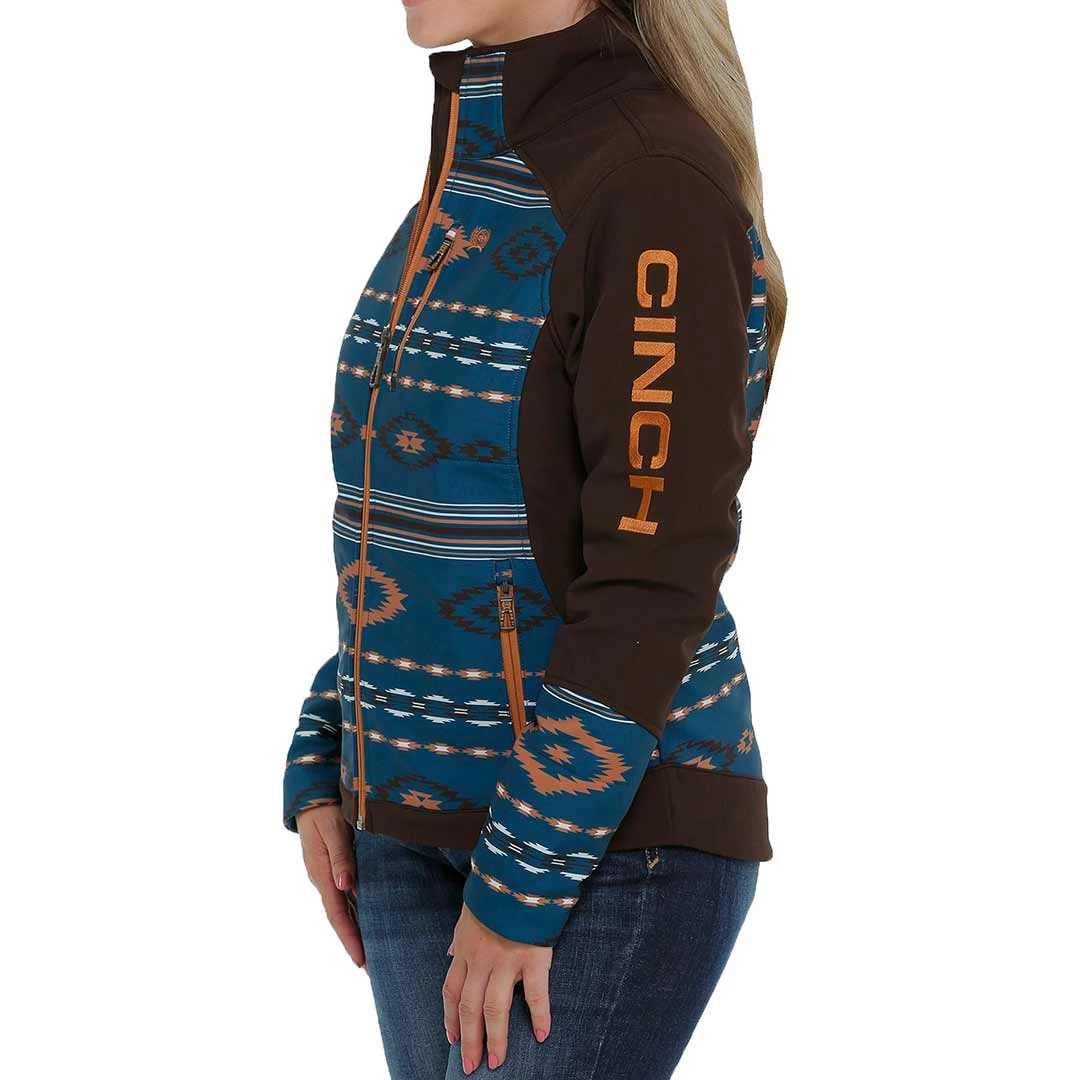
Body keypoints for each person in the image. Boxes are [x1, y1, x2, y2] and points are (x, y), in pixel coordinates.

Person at [282, 2, 786, 1076]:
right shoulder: (477, 171)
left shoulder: (650, 183)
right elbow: (426, 511)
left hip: (601, 845)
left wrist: (523, 877)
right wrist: (334, 742)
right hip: (417, 837)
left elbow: (654, 573)